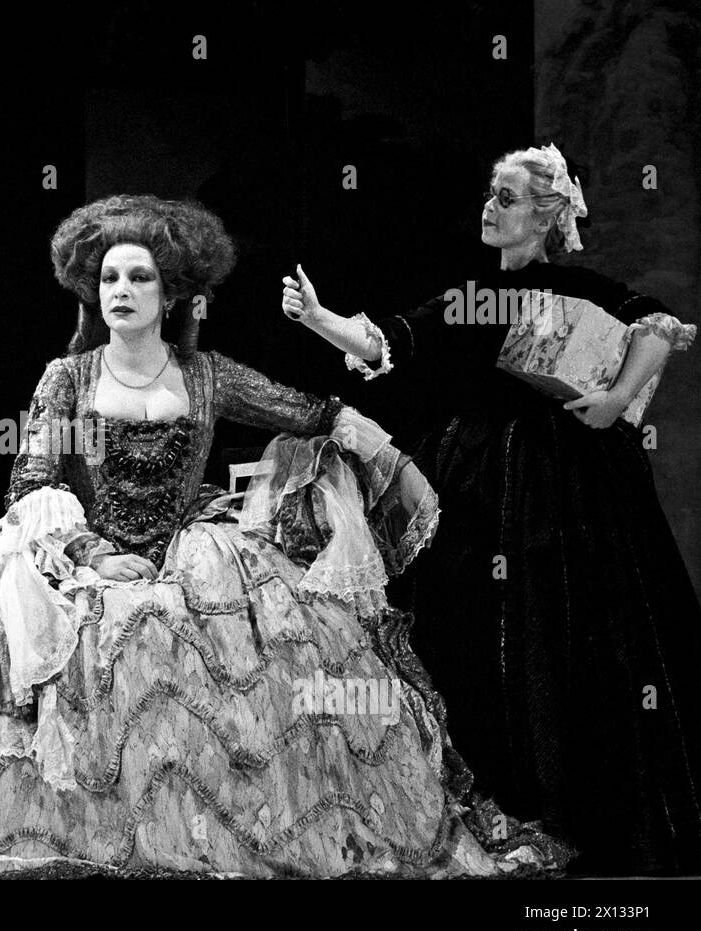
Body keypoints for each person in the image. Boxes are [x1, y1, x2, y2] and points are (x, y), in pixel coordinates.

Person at [0, 194, 566, 878]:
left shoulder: (207, 375)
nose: (120, 289)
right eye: (109, 276)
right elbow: (30, 481)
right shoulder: (68, 378)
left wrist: (381, 453)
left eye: (140, 276)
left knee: (264, 657)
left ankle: (219, 841)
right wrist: (91, 553)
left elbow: (311, 409)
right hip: (87, 558)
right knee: (96, 643)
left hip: (196, 554)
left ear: (173, 292)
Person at [282, 144, 700, 875]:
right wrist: (320, 319)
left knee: (571, 628)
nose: (489, 206)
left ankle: (580, 813)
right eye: (489, 193)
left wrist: (608, 401)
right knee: (465, 627)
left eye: (506, 197)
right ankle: (492, 808)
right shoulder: (474, 295)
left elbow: (659, 326)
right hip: (475, 477)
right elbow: (387, 340)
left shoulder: (581, 286)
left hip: (568, 482)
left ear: (547, 211)